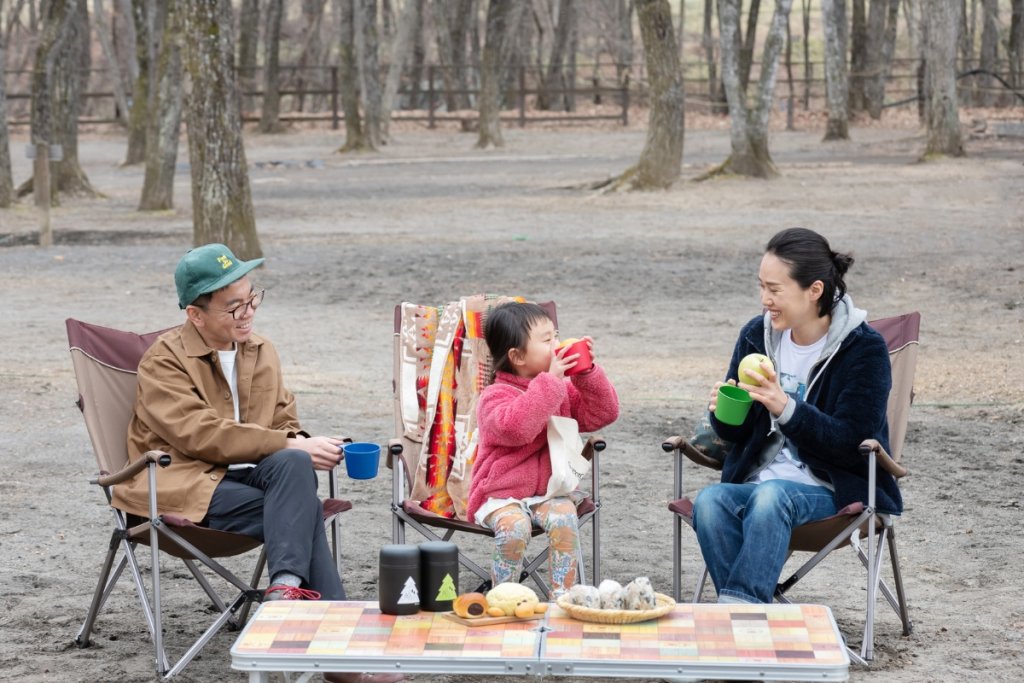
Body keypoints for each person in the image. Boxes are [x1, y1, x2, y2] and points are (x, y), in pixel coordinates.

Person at [115, 243, 401, 683]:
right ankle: (343, 661)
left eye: (252, 299)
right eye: (234, 307)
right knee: (298, 509)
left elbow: (284, 421)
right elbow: (201, 435)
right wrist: (290, 445)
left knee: (294, 470)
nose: (248, 313)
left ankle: (285, 587)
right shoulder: (164, 360)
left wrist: (307, 444)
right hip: (185, 484)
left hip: (256, 480)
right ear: (196, 314)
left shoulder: (260, 349)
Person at [692, 227, 903, 605]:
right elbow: (734, 436)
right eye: (761, 287)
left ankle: (740, 613)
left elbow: (852, 441)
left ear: (815, 290)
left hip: (833, 489)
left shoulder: (863, 349)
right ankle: (751, 609)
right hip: (760, 484)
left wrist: (785, 407)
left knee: (772, 497)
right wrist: (725, 412)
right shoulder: (756, 335)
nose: (764, 300)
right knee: (710, 501)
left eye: (775, 290)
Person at [466, 302, 619, 597]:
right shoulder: (494, 397)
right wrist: (551, 383)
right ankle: (504, 597)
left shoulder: (557, 390)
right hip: (499, 495)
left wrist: (586, 374)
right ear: (518, 356)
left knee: (564, 518)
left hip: (548, 492)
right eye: (547, 340)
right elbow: (517, 428)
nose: (558, 345)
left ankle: (564, 597)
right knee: (515, 527)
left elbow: (604, 413)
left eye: (556, 335)